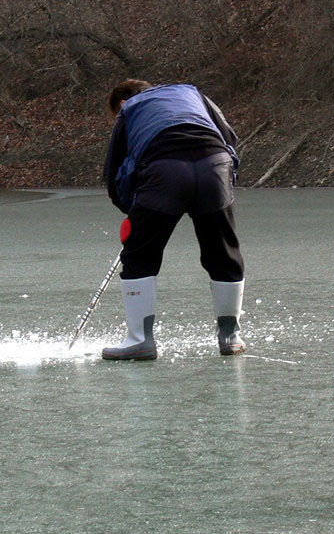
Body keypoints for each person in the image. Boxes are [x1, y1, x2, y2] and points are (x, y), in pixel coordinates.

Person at [101, 79, 246, 360]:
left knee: (140, 255)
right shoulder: (192, 94)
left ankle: (140, 340)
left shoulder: (129, 110)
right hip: (214, 165)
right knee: (223, 251)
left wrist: (134, 213)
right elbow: (229, 138)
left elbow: (114, 174)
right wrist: (226, 180)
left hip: (164, 171)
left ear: (122, 102)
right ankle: (230, 336)